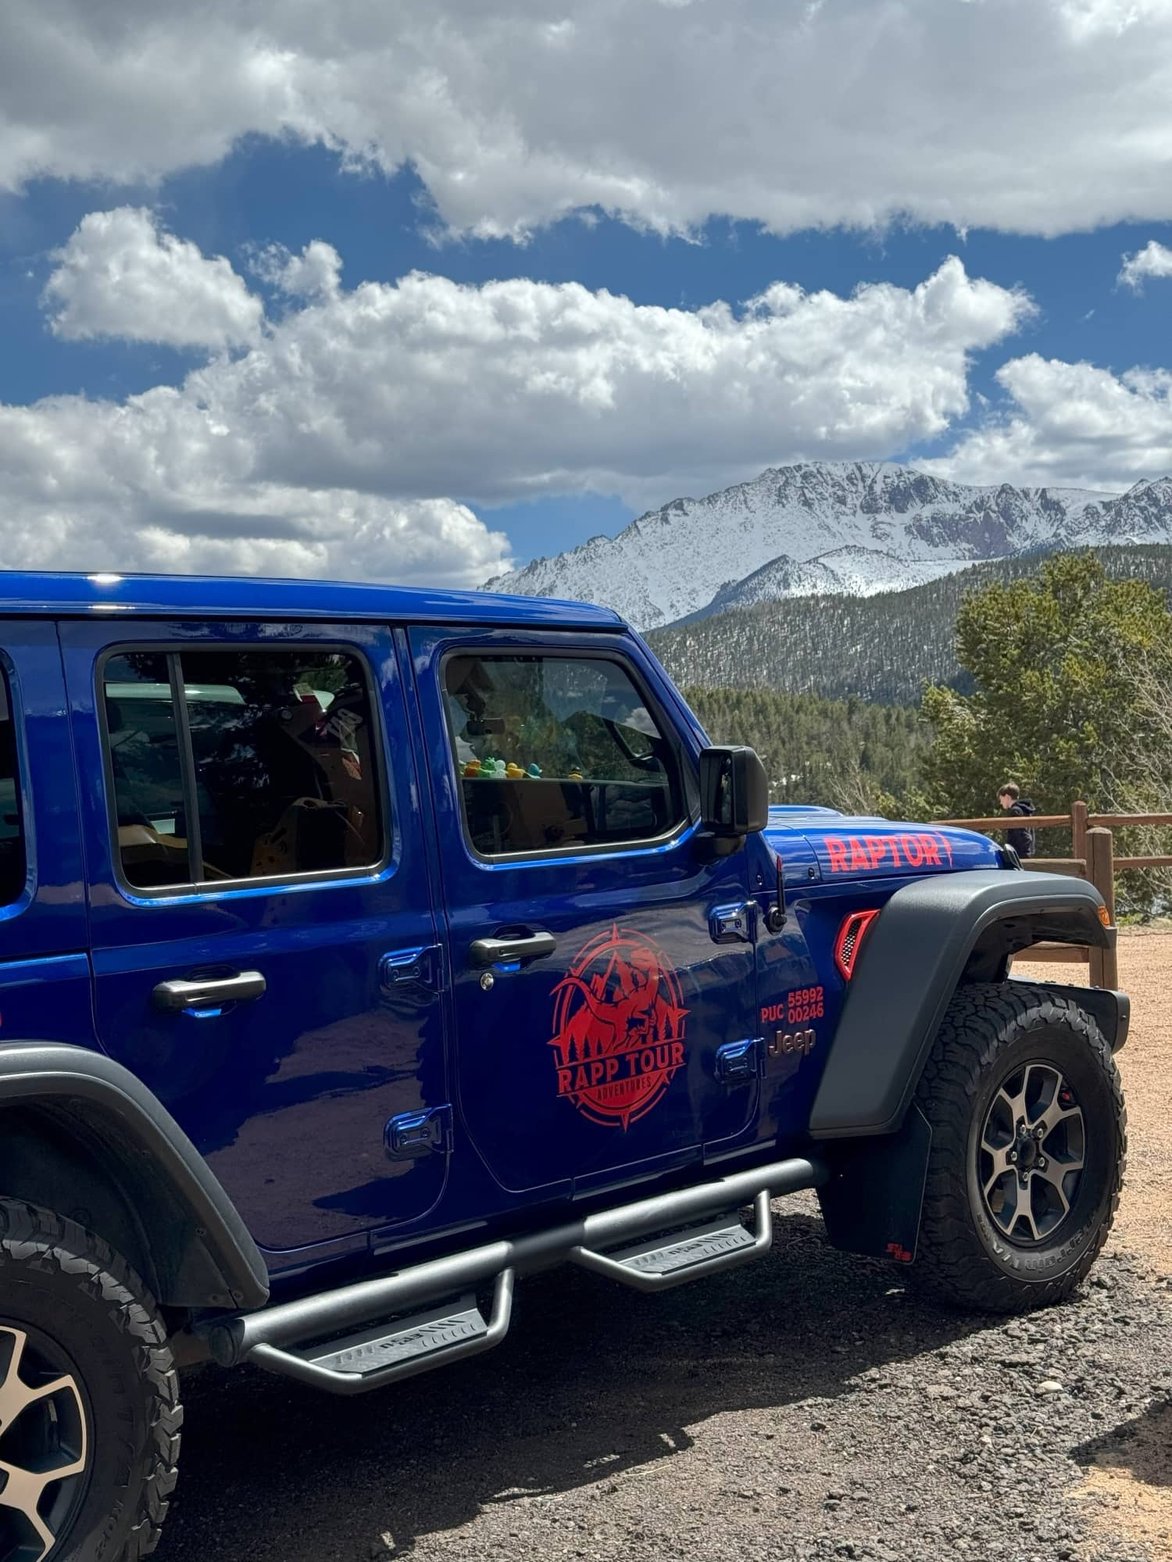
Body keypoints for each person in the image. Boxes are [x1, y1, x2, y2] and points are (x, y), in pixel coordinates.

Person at [997, 781, 1037, 859]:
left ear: (1007, 797)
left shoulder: (1015, 811)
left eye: (1001, 799)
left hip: (1018, 855)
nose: (1000, 802)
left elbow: (1022, 835)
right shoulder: (1025, 810)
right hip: (1027, 853)